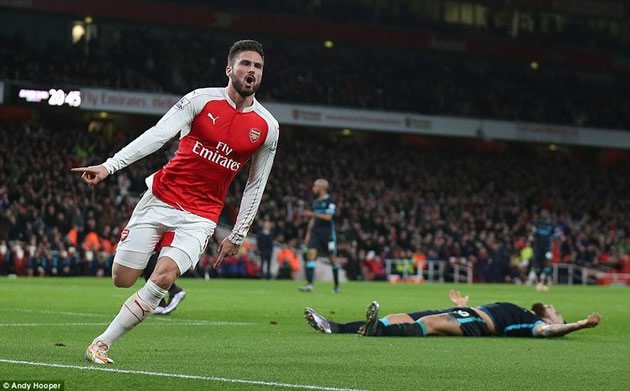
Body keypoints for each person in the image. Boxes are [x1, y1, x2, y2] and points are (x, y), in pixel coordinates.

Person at [73, 39, 279, 364]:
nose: (251, 71)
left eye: (257, 66)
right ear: (230, 69)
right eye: (245, 64)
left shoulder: (267, 127)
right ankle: (156, 247)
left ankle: (101, 343)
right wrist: (109, 166)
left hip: (201, 216)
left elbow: (256, 184)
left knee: (164, 276)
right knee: (122, 279)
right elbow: (157, 135)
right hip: (161, 198)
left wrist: (237, 234)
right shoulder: (200, 100)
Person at [305, 290, 600, 338]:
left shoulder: (536, 324)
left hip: (476, 324)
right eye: (556, 310)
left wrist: (580, 325)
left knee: (429, 324)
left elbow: (549, 331)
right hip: (466, 311)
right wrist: (465, 302)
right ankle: (335, 326)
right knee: (397, 317)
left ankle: (373, 330)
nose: (556, 313)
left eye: (557, 313)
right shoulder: (526, 311)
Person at [305, 289, 470, 334]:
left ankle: (375, 331)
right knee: (392, 317)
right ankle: (332, 327)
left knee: (420, 324)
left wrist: (461, 308)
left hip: (454, 318)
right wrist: (460, 305)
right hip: (448, 311)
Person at [299, 179, 340, 293]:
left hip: (327, 234)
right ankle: (310, 284)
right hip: (316, 232)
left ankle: (336, 286)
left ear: (322, 188)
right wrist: (308, 235)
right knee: (311, 255)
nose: (313, 189)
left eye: (315, 186)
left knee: (332, 259)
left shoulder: (330, 201)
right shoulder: (315, 202)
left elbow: (328, 217)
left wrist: (312, 213)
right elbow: (312, 220)